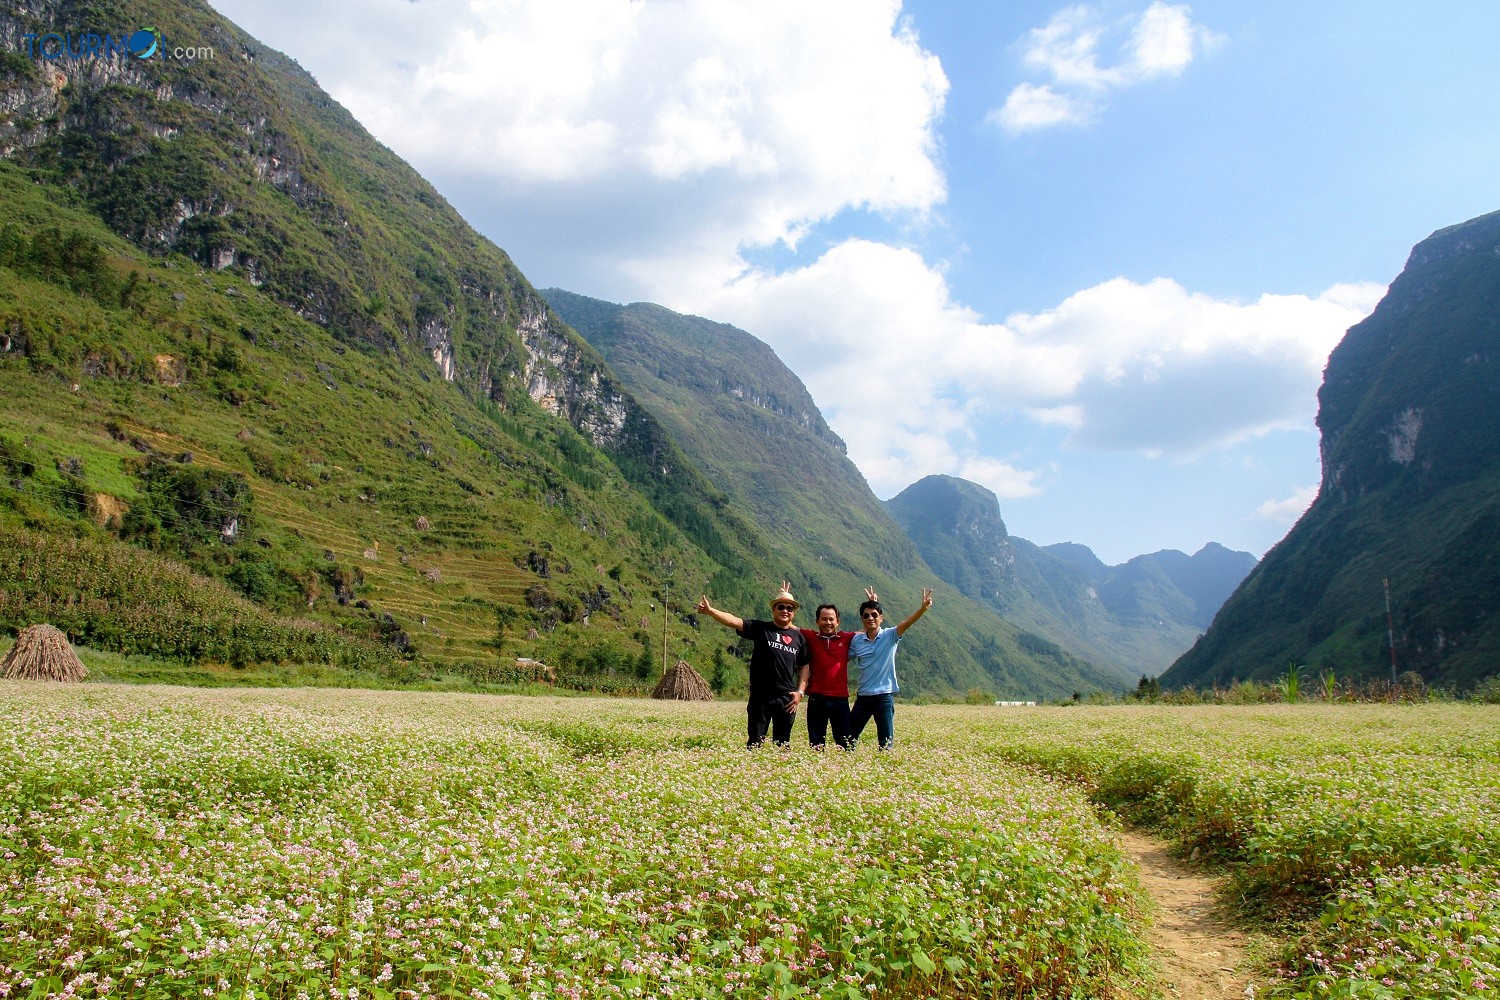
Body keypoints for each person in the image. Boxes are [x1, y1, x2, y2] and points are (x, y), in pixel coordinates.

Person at [697, 584, 810, 748]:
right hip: (760, 696)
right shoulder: (761, 629)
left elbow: (804, 667)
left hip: (786, 698)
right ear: (773, 609)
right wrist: (710, 611)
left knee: (783, 744)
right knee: (755, 742)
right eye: (781, 606)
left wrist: (800, 692)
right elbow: (734, 621)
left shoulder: (799, 638)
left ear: (793, 612)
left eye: (789, 608)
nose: (785, 610)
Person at [848, 588, 933, 750]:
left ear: (881, 618)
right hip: (863, 697)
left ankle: (887, 768)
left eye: (874, 615)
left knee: (886, 743)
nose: (870, 618)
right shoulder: (857, 641)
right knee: (848, 739)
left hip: (883, 698)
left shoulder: (890, 636)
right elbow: (843, 647)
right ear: (861, 619)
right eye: (866, 615)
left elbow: (907, 623)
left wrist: (922, 609)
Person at [796, 584, 878, 750]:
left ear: (838, 621)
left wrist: (872, 605)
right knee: (816, 744)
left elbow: (868, 627)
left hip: (840, 699)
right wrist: (784, 601)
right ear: (817, 621)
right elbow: (787, 625)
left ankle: (842, 771)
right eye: (824, 619)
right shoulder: (810, 636)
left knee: (845, 743)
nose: (828, 622)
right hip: (816, 698)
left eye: (831, 619)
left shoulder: (846, 638)